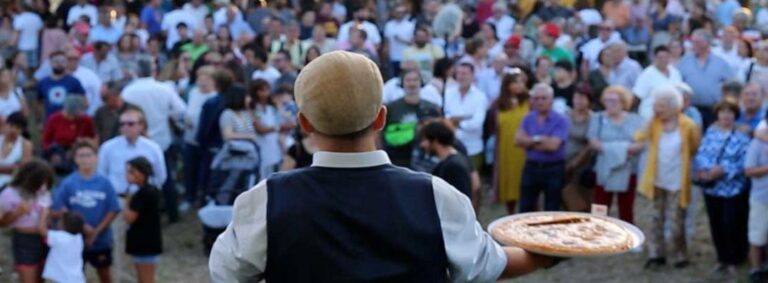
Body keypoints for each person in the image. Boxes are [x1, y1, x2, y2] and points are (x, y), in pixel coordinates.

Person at [210, 51, 558, 281]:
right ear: (381, 118)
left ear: (304, 123)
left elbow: (225, 273)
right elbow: (488, 265)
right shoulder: (435, 196)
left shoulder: (266, 199)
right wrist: (553, 251)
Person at [635, 86, 701, 269]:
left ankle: (680, 255)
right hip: (656, 179)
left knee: (676, 221)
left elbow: (694, 147)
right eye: (655, 105)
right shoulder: (655, 123)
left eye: (661, 106)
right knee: (655, 218)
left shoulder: (688, 125)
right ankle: (656, 254)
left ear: (673, 106)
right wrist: (649, 121)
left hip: (677, 180)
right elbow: (639, 136)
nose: (657, 109)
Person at [121, 58, 185, 222]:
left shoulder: (128, 91)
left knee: (135, 177)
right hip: (161, 139)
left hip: (137, 140)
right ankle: (172, 213)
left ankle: (140, 212)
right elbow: (180, 110)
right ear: (153, 71)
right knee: (165, 177)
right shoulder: (164, 89)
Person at [693, 100, 750, 276]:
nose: (726, 115)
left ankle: (734, 259)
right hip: (711, 189)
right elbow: (701, 154)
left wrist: (724, 170)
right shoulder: (710, 133)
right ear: (717, 114)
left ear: (735, 115)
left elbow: (744, 164)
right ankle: (721, 258)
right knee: (715, 224)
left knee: (731, 224)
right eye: (722, 112)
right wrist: (705, 171)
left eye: (730, 112)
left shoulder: (742, 137)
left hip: (732, 190)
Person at [52, 141, 120, 283]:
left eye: (88, 155)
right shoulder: (68, 183)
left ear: (96, 157)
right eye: (81, 155)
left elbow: (113, 209)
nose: (85, 159)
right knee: (75, 276)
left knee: (105, 274)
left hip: (101, 239)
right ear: (75, 159)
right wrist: (82, 226)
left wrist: (95, 232)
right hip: (75, 239)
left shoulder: (104, 182)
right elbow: (59, 208)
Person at [588, 86, 644, 223]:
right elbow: (593, 141)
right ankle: (596, 235)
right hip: (603, 168)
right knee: (600, 207)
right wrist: (622, 149)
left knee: (626, 208)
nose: (610, 104)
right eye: (607, 100)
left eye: (614, 100)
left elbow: (641, 143)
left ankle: (628, 240)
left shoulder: (636, 120)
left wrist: (614, 149)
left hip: (628, 169)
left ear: (623, 102)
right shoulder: (597, 118)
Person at [515, 83, 570, 212]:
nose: (540, 102)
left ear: (551, 100)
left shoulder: (561, 120)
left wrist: (529, 141)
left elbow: (553, 146)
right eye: (536, 98)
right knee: (525, 207)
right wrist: (540, 140)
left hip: (554, 169)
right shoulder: (527, 118)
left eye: (544, 98)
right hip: (531, 167)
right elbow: (517, 140)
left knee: (551, 208)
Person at [0, 160, 55, 283]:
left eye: (46, 182)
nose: (43, 186)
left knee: (41, 278)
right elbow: (2, 223)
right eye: (40, 182)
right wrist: (17, 213)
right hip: (24, 240)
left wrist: (45, 219)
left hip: (43, 238)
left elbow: (47, 209)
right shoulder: (9, 194)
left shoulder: (44, 191)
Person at [486, 70, 530, 214]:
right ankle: (511, 214)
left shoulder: (530, 101)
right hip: (505, 150)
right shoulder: (498, 104)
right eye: (515, 82)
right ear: (507, 85)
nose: (519, 85)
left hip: (525, 150)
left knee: (525, 184)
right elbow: (491, 127)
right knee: (508, 183)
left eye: (521, 82)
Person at [98, 108, 166, 196]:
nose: (125, 127)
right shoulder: (108, 147)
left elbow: (160, 176)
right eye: (122, 124)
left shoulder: (153, 148)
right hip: (116, 197)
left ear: (141, 126)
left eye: (130, 124)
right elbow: (101, 173)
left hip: (143, 198)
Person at [383, 70, 441, 167]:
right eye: (408, 80)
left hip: (424, 161)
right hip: (397, 158)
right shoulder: (391, 108)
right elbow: (380, 132)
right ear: (402, 83)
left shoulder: (432, 108)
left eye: (415, 80)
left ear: (421, 83)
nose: (412, 84)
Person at [677, 29, 734, 128]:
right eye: (693, 42)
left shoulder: (720, 63)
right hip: (690, 109)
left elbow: (731, 84)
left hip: (713, 109)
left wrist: (725, 101)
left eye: (698, 42)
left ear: (707, 43)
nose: (694, 45)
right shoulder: (684, 61)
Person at [180, 67, 218, 211]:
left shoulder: (214, 97)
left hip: (206, 141)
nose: (202, 83)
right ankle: (190, 196)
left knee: (205, 171)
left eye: (206, 80)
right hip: (189, 138)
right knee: (189, 169)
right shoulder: (193, 93)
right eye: (200, 79)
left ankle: (203, 198)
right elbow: (186, 111)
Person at [123, 157, 163, 283]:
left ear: (142, 173)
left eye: (132, 172)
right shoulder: (149, 191)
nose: (128, 175)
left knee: (146, 279)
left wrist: (126, 202)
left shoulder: (144, 194)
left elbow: (129, 218)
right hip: (144, 243)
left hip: (145, 245)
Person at [444, 63, 489, 171]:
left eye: (464, 73)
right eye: (459, 73)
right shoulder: (448, 93)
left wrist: (456, 122)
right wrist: (465, 119)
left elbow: (477, 124)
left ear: (472, 75)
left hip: (473, 148)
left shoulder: (480, 96)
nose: (461, 77)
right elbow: (446, 118)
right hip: (452, 147)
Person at [250, 79, 291, 180]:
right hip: (262, 143)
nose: (265, 93)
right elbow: (259, 128)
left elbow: (283, 119)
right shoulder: (253, 108)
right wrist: (278, 127)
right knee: (263, 173)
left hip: (274, 143)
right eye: (261, 90)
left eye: (266, 90)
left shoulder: (271, 107)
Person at [421, 120, 473, 199]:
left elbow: (461, 199)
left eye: (425, 140)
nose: (423, 145)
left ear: (435, 141)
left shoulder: (454, 166)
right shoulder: (452, 161)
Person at [745, 122, 768, 283]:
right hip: (762, 197)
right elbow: (749, 170)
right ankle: (755, 269)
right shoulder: (757, 143)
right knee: (757, 235)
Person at [634, 46, 683, 120]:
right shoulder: (646, 74)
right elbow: (637, 96)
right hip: (649, 117)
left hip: (671, 117)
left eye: (666, 57)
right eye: (660, 57)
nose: (663, 60)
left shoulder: (675, 72)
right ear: (654, 58)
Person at [37, 51, 87, 118]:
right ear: (50, 63)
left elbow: (85, 102)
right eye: (56, 61)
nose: (59, 64)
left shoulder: (74, 81)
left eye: (62, 61)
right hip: (50, 122)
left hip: (70, 121)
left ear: (66, 63)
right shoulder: (43, 82)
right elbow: (39, 104)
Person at [40, 211, 86, 283]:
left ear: (64, 226)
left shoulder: (59, 237)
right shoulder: (79, 237)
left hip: (59, 278)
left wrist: (44, 214)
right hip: (77, 279)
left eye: (60, 221)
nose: (58, 222)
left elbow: (41, 230)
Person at [0, 112, 33, 188]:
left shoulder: (25, 145)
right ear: (6, 125)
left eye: (18, 128)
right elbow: (17, 167)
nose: (13, 130)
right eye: (11, 126)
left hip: (12, 183)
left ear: (22, 130)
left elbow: (24, 168)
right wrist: (12, 167)